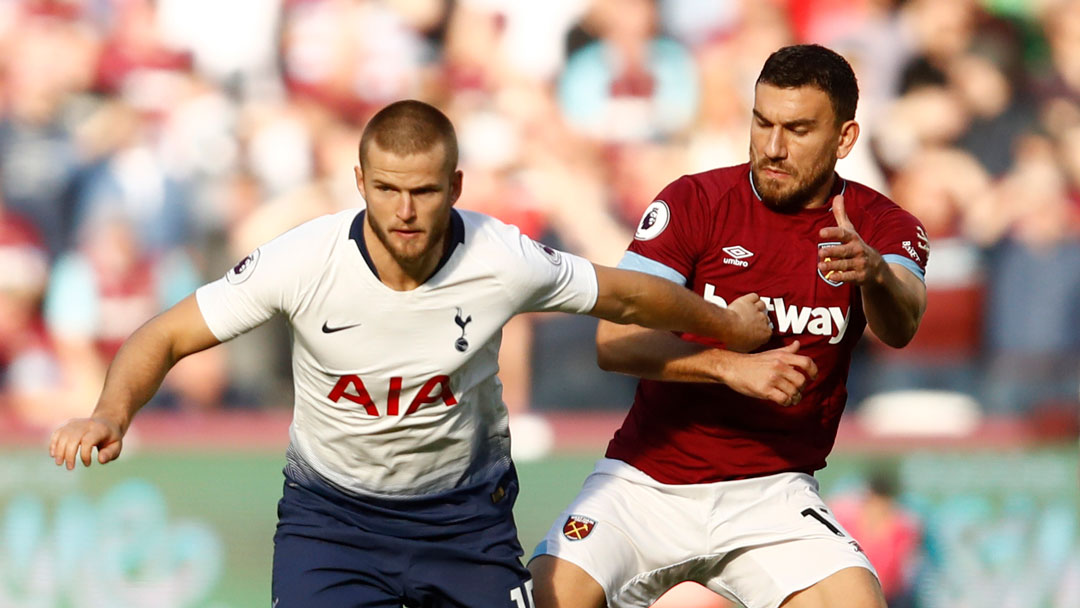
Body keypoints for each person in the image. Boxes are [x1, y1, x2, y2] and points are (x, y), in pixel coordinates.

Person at [48, 100, 779, 607]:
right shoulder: (301, 261)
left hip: (465, 517)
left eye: (424, 192)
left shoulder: (503, 256)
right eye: (388, 190)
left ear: (455, 186)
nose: (404, 212)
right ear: (359, 182)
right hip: (331, 518)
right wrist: (111, 411)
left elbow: (623, 295)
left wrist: (724, 325)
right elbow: (165, 333)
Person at [529, 44, 929, 608]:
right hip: (648, 481)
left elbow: (903, 323)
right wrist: (729, 366)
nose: (773, 147)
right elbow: (613, 341)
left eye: (797, 129)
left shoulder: (882, 225)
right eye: (762, 122)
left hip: (773, 493)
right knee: (550, 594)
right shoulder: (695, 201)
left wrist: (875, 275)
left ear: (844, 139)